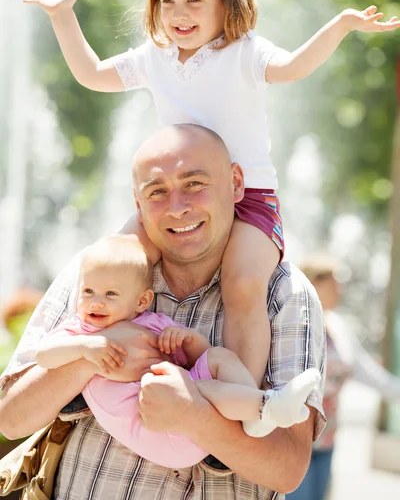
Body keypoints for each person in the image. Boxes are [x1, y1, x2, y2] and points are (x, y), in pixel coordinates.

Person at [22, 0, 400, 392]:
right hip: (174, 196)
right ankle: (93, 363)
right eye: (168, 1)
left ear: (228, 0)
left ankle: (244, 396)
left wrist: (341, 25)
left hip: (250, 198)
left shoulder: (244, 53)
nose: (179, 14)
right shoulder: (155, 57)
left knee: (242, 284)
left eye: (195, 0)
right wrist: (62, 15)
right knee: (112, 262)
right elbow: (92, 74)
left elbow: (294, 68)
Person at [0, 124, 326, 499]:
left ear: (236, 183)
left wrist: (194, 415)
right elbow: (12, 419)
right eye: (157, 191)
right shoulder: (96, 273)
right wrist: (98, 353)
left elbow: (287, 469)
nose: (177, 207)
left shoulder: (284, 293)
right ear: (137, 203)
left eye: (194, 183)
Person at [36, 233, 320, 468]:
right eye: (88, 292)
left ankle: (260, 409)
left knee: (218, 360)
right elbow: (44, 354)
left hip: (184, 422)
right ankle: (265, 406)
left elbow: (193, 359)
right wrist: (85, 347)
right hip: (156, 431)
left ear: (141, 301)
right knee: (202, 389)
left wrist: (186, 339)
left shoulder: (151, 324)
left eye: (111, 294)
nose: (96, 303)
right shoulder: (79, 330)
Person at [287, 254, 400, 500]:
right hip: (292, 442)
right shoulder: (290, 322)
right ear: (313, 282)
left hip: (326, 441)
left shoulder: (339, 326)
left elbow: (368, 373)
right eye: (335, 281)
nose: (341, 289)